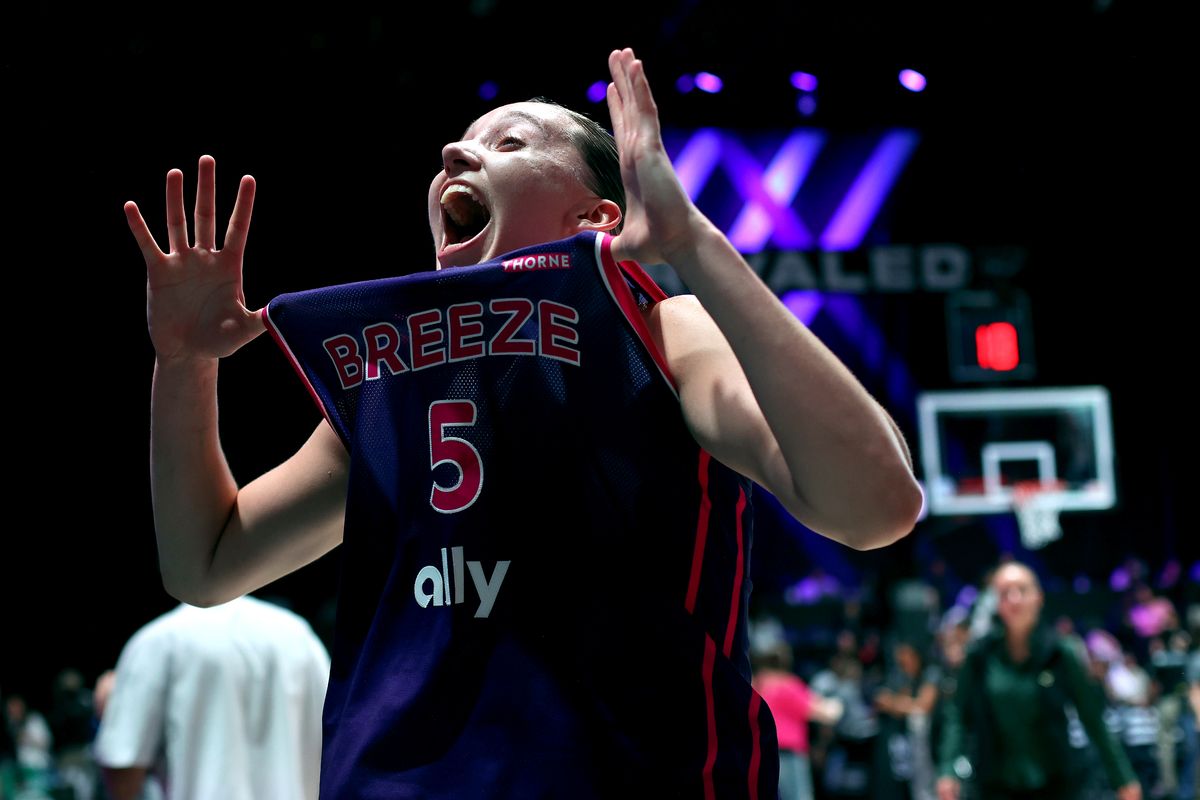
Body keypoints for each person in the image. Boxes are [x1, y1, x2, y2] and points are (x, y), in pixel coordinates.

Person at [126, 48, 922, 797]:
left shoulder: (666, 331)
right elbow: (208, 562)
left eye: (510, 141)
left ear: (594, 218)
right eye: (462, 142)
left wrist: (692, 242)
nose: (452, 155)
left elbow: (877, 505)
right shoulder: (396, 383)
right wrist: (187, 364)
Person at [91, 595, 330, 800]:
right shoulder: (298, 635)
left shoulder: (160, 640)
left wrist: (111, 713)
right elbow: (334, 735)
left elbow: (123, 775)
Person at [936, 562, 1141, 800]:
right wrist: (947, 769)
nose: (1014, 599)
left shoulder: (1061, 652)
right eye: (1004, 593)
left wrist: (1123, 778)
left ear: (1038, 597)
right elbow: (958, 715)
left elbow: (1092, 718)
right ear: (996, 603)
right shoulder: (979, 655)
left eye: (1022, 590)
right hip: (995, 783)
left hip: (1056, 782)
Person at [751, 640, 844, 800]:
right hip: (788, 754)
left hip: (759, 753)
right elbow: (827, 714)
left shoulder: (755, 684)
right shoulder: (788, 685)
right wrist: (839, 704)